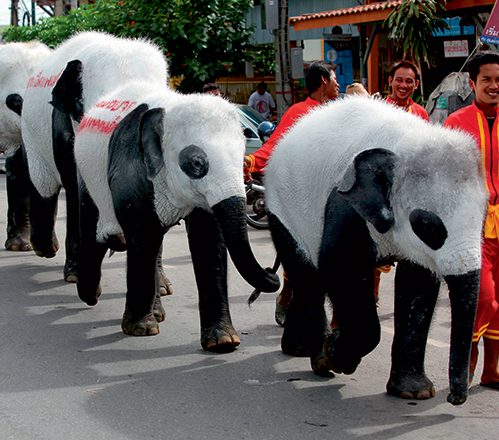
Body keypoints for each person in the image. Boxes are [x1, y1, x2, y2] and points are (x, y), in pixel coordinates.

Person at [244, 61, 339, 326]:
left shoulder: (338, 113)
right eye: (333, 78)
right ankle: (287, 296)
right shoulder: (299, 112)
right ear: (322, 80)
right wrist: (250, 162)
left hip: (333, 200)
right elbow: (275, 146)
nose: (338, 84)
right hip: (304, 199)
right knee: (301, 258)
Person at [444, 50, 499, 390]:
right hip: (472, 229)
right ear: (472, 82)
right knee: (483, 298)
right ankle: (465, 366)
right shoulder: (456, 123)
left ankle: (492, 371)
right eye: (487, 80)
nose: (494, 86)